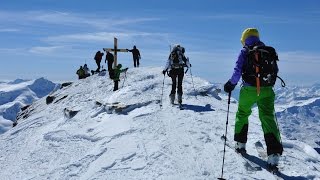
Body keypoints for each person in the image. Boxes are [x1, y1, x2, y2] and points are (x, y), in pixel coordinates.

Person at [223, 28, 283, 171]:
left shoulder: (245, 51)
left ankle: (240, 143)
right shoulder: (267, 51)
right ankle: (273, 155)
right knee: (268, 117)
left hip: (249, 90)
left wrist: (231, 84)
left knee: (243, 114)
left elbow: (237, 71)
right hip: (267, 90)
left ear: (244, 39)